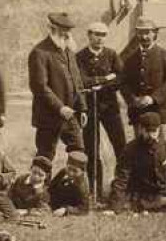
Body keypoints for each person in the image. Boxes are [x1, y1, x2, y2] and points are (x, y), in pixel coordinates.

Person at [76, 21, 127, 198]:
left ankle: (121, 186)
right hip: (89, 108)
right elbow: (80, 80)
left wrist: (101, 83)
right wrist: (105, 78)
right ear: (89, 35)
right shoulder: (80, 56)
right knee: (91, 148)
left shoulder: (112, 55)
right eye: (96, 34)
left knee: (120, 145)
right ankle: (94, 189)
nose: (100, 39)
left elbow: (121, 78)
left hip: (110, 107)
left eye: (103, 35)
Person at [28, 12, 87, 163]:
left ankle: (75, 186)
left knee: (78, 154)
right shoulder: (39, 52)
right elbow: (39, 87)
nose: (67, 34)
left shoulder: (69, 51)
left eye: (69, 30)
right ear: (52, 29)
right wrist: (60, 108)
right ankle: (40, 186)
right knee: (45, 157)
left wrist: (83, 108)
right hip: (49, 116)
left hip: (71, 115)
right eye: (63, 30)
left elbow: (77, 81)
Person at [119, 18, 166, 143]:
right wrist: (132, 99)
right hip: (138, 110)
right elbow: (123, 83)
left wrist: (153, 98)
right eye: (140, 33)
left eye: (147, 32)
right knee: (141, 148)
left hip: (161, 110)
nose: (144, 36)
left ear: (155, 33)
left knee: (165, 147)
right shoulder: (129, 58)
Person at [49, 150, 91, 216]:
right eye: (69, 168)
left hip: (67, 206)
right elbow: (51, 187)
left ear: (82, 172)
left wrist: (66, 210)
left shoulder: (82, 186)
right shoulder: (63, 172)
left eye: (75, 171)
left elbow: (84, 209)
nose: (71, 173)